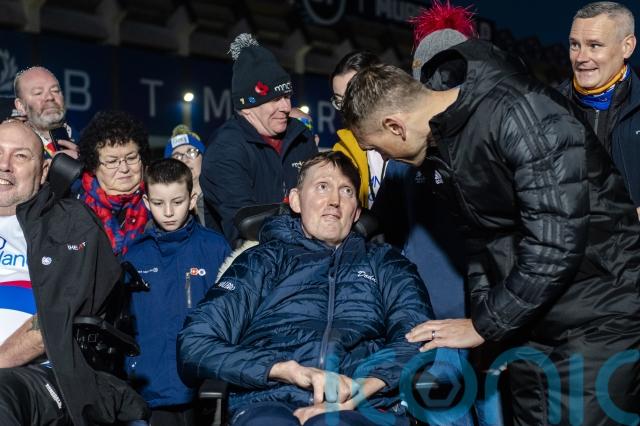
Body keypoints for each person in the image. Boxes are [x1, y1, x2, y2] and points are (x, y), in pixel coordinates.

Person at [342, 40, 640, 424]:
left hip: (600, 313)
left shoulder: (521, 112)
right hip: (534, 320)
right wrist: (489, 324)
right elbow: (481, 241)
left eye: (376, 148)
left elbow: (555, 243)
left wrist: (484, 324)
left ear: (395, 126)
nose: (382, 158)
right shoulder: (444, 144)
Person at [178, 151, 432, 426]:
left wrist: (362, 387)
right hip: (267, 400)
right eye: (322, 187)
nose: (334, 200)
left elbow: (419, 338)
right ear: (296, 200)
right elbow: (194, 343)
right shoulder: (261, 261)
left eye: (346, 191)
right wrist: (283, 369)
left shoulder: (386, 264)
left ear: (357, 211)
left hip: (362, 403)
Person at [0, 119, 148, 425]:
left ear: (44, 171)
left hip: (39, 375)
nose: (4, 165)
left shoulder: (69, 224)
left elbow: (56, 319)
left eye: (20, 156)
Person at [123, 159, 230, 426]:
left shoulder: (215, 248)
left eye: (177, 201)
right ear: (147, 203)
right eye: (159, 203)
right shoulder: (135, 255)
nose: (168, 212)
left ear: (192, 199)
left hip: (204, 384)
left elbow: (232, 316)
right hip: (152, 386)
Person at [200, 33, 317, 246]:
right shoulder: (225, 150)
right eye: (275, 99)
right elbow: (245, 228)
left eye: (287, 96)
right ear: (247, 105)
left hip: (308, 252)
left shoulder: (302, 137)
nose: (286, 107)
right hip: (254, 257)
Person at [560, 2, 640, 216]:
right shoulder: (548, 106)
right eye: (575, 45)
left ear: (627, 47)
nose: (581, 57)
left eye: (594, 45)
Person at [75, 110, 151, 256]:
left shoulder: (160, 202)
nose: (124, 168)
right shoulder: (75, 208)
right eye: (112, 161)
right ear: (93, 166)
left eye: (131, 158)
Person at [331, 51, 383, 208]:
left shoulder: (410, 137)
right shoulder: (343, 150)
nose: (346, 108)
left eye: (352, 96)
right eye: (340, 100)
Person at [13, 66, 78, 159]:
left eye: (55, 91)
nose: (50, 97)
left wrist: (86, 163)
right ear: (21, 106)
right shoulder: (10, 147)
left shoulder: (90, 142)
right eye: (38, 93)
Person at [165, 124, 207, 225]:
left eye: (191, 152)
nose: (185, 160)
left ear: (203, 157)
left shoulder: (220, 199)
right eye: (177, 156)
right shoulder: (165, 209)